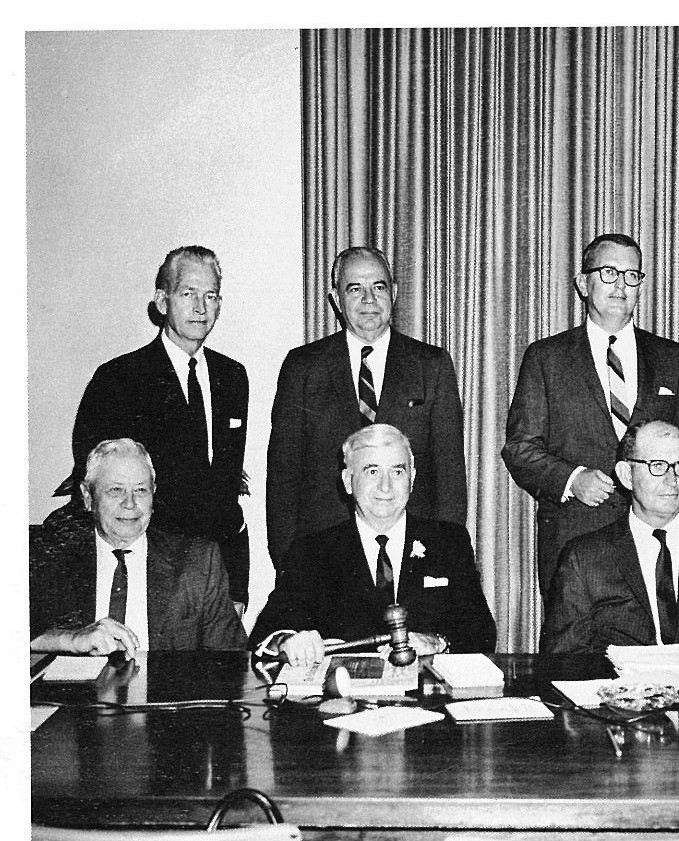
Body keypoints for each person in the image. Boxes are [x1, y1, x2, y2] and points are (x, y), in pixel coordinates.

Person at [503, 233, 679, 595]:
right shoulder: (546, 358)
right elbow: (521, 448)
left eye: (632, 275)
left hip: (655, 534)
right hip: (573, 535)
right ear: (583, 284)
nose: (621, 285)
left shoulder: (672, 358)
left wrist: (661, 487)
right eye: (609, 273)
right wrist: (572, 479)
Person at [68, 246, 250, 608]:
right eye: (188, 293)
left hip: (217, 575)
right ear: (162, 301)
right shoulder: (119, 379)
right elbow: (99, 490)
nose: (201, 307)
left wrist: (236, 585)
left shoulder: (232, 377)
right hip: (150, 574)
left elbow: (225, 490)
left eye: (210, 295)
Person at [266, 247, 467, 570]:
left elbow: (450, 477)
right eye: (355, 289)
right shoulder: (303, 367)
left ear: (394, 293)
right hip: (324, 558)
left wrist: (444, 559)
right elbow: (283, 478)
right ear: (336, 299)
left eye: (379, 287)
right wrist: (290, 566)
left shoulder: (431, 366)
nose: (369, 299)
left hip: (412, 555)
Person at [251, 424, 495, 665]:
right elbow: (267, 633)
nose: (385, 486)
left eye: (397, 472)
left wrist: (438, 642)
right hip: (344, 687)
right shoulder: (311, 551)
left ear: (412, 479)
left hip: (424, 687)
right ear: (348, 481)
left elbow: (482, 632)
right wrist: (288, 640)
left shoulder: (449, 542)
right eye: (372, 471)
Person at [543, 420, 679, 655]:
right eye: (658, 465)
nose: (673, 480)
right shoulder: (584, 558)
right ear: (626, 475)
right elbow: (566, 658)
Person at [30, 439, 246, 656]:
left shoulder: (198, 562)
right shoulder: (49, 555)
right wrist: (70, 639)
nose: (130, 503)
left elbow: (231, 659)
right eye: (116, 490)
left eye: (141, 490)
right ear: (87, 496)